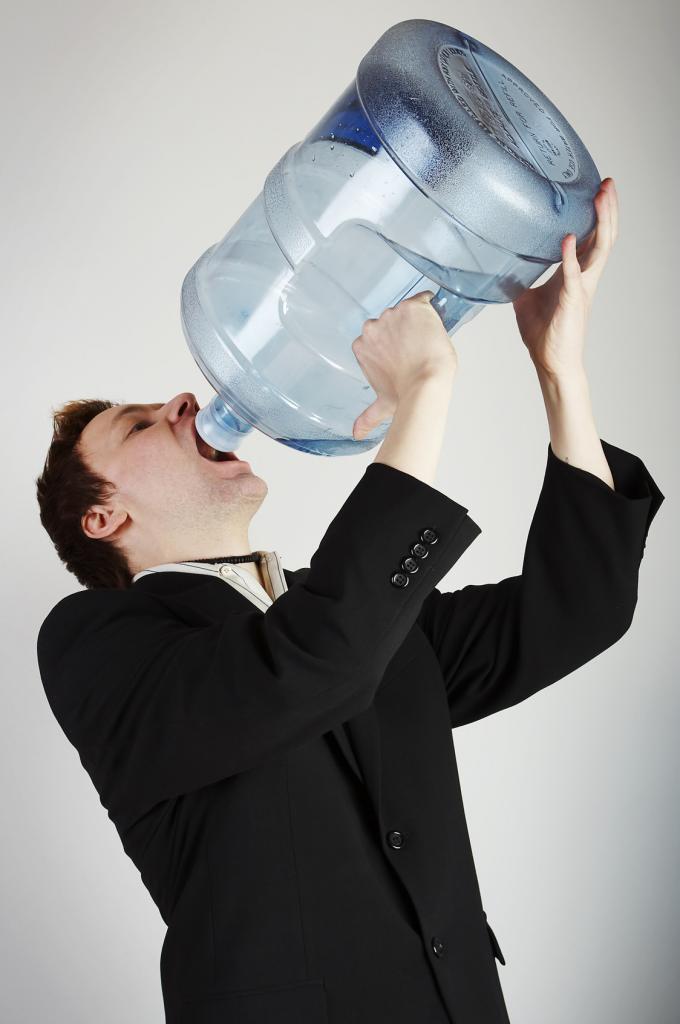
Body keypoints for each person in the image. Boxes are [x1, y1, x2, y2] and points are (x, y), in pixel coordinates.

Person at [35, 178, 663, 1023]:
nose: (183, 399)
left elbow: (576, 612)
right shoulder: (96, 643)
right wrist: (426, 390)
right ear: (103, 516)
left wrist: (560, 372)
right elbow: (312, 663)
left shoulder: (359, 619)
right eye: (142, 425)